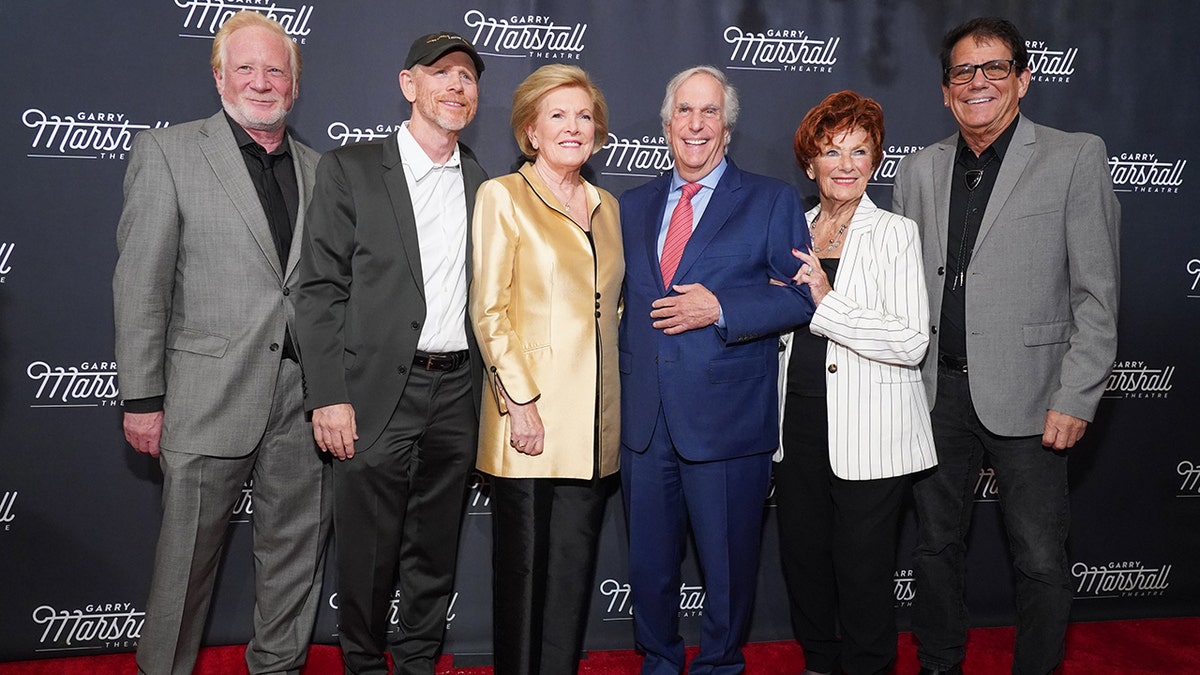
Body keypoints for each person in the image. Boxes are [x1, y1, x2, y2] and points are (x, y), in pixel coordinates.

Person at [892, 17, 1120, 675]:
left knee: (1041, 555)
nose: (978, 82)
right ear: (944, 91)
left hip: (1037, 392)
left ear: (1023, 77)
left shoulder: (1074, 156)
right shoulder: (917, 171)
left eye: (994, 68)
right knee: (935, 546)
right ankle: (939, 663)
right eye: (964, 71)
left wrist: (1077, 393)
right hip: (937, 393)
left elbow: (1097, 295)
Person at [112, 11, 331, 675]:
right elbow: (141, 284)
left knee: (295, 560)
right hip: (206, 395)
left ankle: (278, 666)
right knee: (184, 566)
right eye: (246, 68)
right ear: (218, 77)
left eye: (276, 70)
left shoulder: (323, 170)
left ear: (294, 85)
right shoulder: (168, 152)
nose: (261, 82)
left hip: (302, 401)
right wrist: (143, 397)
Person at [292, 31, 488, 675]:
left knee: (434, 551)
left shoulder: (485, 183)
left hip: (458, 391)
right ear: (409, 85)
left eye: (467, 76)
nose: (457, 86)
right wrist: (328, 395)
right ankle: (363, 665)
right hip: (374, 392)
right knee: (369, 554)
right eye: (441, 73)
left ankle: (416, 662)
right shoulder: (350, 169)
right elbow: (318, 291)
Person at [618, 65, 814, 675]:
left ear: (726, 129)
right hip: (645, 420)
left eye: (709, 113)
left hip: (729, 421)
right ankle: (657, 660)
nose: (696, 124)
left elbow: (803, 296)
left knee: (727, 567)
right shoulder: (630, 206)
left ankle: (720, 665)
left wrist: (721, 307)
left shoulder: (771, 199)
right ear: (667, 125)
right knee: (649, 564)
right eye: (684, 112)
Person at [774, 90, 937, 675]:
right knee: (804, 560)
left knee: (864, 567)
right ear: (810, 161)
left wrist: (825, 299)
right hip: (795, 424)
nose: (845, 164)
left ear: (875, 162)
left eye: (859, 151)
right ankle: (819, 661)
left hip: (873, 429)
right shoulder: (789, 226)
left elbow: (910, 340)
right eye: (831, 150)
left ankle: (869, 666)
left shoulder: (896, 233)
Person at [470, 64, 622, 675]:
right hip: (527, 421)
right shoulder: (501, 196)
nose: (573, 127)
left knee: (572, 573)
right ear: (530, 131)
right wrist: (521, 401)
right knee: (525, 573)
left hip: (592, 425)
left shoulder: (607, 206)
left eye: (584, 116)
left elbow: (612, 310)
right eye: (557, 115)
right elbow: (488, 310)